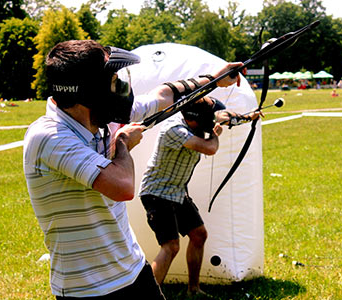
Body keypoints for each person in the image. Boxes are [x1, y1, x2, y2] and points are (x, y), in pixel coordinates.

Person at [23, 40, 243, 299]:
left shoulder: (101, 118)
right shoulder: (50, 136)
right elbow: (122, 186)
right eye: (113, 79)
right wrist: (123, 144)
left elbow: (162, 96)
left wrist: (214, 79)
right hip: (87, 289)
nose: (120, 87)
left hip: (134, 272)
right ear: (89, 91)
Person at [139, 94, 261, 298]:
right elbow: (209, 148)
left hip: (176, 191)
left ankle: (193, 290)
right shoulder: (174, 129)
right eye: (207, 120)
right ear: (195, 119)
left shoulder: (193, 119)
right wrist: (215, 134)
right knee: (171, 246)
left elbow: (223, 115)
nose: (211, 122)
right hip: (157, 193)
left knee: (199, 235)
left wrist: (248, 117)